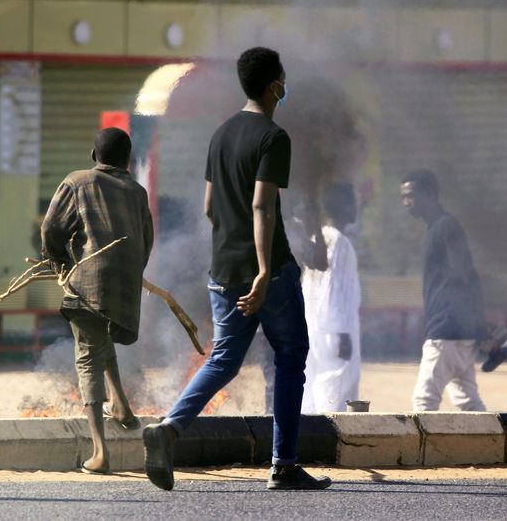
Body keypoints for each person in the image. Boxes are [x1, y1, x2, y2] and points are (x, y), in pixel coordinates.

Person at [142, 47, 331, 491]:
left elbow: (211, 207)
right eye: (283, 78)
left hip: (222, 269)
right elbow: (263, 204)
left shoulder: (221, 133)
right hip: (271, 272)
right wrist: (264, 271)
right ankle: (283, 463)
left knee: (224, 358)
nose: (286, 85)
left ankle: (169, 429)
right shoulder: (273, 137)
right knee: (290, 357)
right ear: (274, 86)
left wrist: (233, 252)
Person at [41, 127, 153, 474]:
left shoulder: (77, 181)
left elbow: (50, 228)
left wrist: (59, 260)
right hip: (126, 282)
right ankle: (120, 406)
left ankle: (101, 453)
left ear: (94, 156)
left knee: (87, 357)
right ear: (129, 162)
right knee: (99, 339)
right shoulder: (137, 191)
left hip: (89, 278)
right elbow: (147, 239)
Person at [400, 169, 487, 412]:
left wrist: (478, 324)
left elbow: (465, 274)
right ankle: (485, 450)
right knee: (469, 402)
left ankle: (424, 452)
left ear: (430, 194)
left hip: (446, 331)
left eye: (411, 196)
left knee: (424, 402)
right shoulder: (438, 228)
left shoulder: (445, 227)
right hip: (458, 331)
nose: (406, 203)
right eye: (403, 197)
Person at [301, 183, 361, 413]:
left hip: (315, 327)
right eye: (353, 203)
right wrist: (342, 334)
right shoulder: (337, 241)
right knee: (335, 389)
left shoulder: (321, 237)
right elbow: (332, 289)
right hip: (333, 333)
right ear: (346, 207)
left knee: (314, 386)